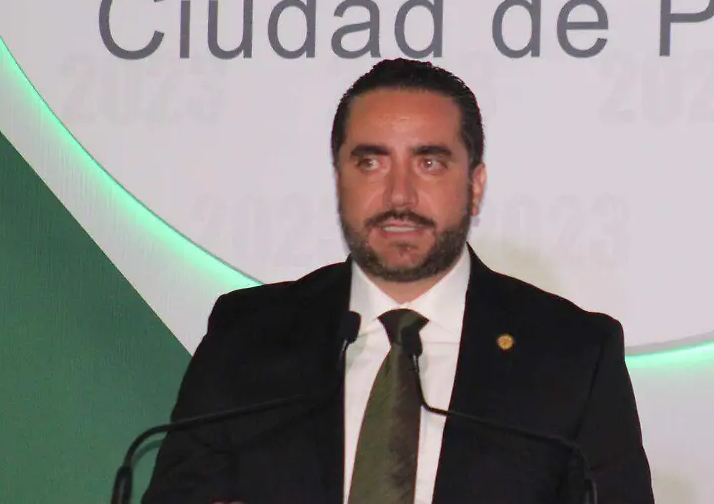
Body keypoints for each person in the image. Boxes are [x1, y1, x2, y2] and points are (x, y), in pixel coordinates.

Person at [141, 59, 655, 504]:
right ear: (338, 179)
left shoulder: (573, 355)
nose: (399, 196)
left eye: (429, 163)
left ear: (475, 186)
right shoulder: (246, 337)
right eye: (371, 163)